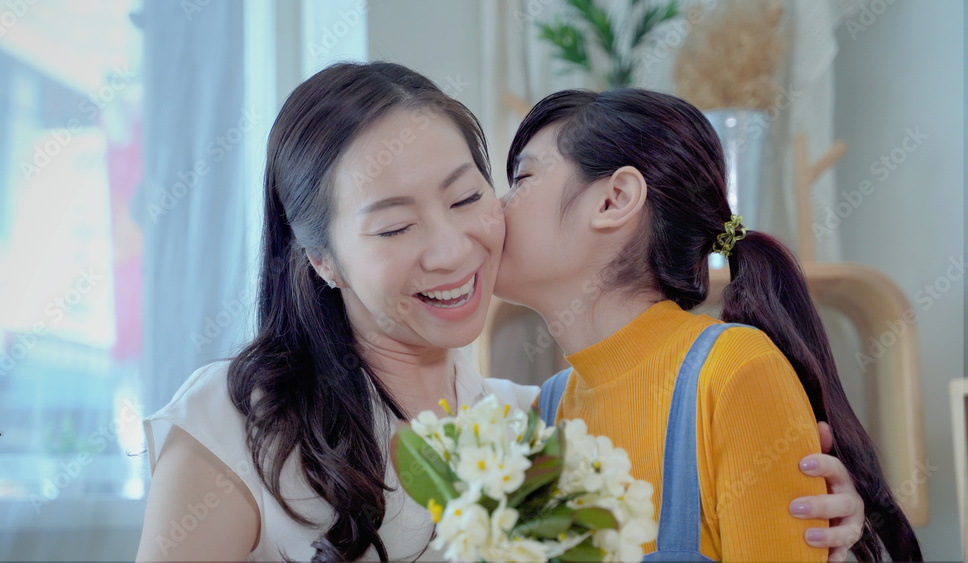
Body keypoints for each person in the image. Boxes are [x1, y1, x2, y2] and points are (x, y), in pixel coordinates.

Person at [136, 62, 866, 562]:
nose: (453, 250)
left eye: (468, 197)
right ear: (321, 258)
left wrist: (819, 520)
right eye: (395, 226)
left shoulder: (530, 430)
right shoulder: (236, 424)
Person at [496, 88, 921, 561]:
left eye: (522, 179)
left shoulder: (737, 372)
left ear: (615, 199)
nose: (496, 208)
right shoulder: (547, 411)